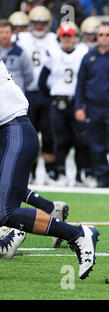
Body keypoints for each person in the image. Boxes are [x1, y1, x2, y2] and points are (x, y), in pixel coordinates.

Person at [0, 57, 98, 279]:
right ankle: (39, 214)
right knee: (5, 198)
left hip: (14, 131)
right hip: (8, 132)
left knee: (6, 211)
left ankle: (78, 234)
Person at [38, 22, 95, 188]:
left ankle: (79, 175)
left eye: (69, 36)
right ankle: (61, 173)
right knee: (60, 140)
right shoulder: (54, 52)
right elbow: (42, 80)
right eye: (64, 36)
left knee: (81, 140)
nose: (67, 39)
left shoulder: (82, 52)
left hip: (76, 101)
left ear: (75, 37)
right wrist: (53, 95)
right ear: (60, 37)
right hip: (58, 100)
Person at [75, 23, 109, 189]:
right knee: (96, 145)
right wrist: (79, 107)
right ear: (97, 36)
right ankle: (101, 178)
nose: (104, 37)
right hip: (93, 107)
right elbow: (80, 84)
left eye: (107, 34)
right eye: (101, 34)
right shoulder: (88, 57)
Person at [15, 6, 59, 185]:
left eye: (43, 23)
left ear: (48, 24)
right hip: (27, 93)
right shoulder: (20, 38)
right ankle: (29, 172)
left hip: (47, 93)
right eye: (36, 23)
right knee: (29, 136)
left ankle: (50, 172)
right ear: (30, 23)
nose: (39, 26)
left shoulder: (54, 39)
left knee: (49, 135)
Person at [0, 21, 33, 93]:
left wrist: (19, 88)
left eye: (7, 32)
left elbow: (29, 75)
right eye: (1, 32)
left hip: (16, 97)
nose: (4, 36)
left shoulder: (20, 52)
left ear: (12, 33)